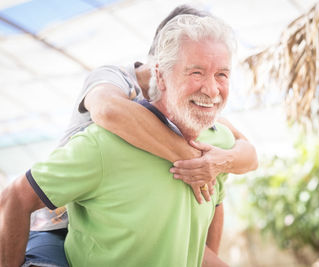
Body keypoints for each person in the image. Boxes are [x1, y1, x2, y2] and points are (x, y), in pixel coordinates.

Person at [0, 13, 252, 267]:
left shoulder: (218, 142)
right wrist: (195, 159)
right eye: (196, 72)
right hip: (52, 226)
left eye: (222, 74)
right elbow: (14, 197)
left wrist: (220, 162)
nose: (211, 89)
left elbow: (244, 161)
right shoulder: (105, 138)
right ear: (160, 76)